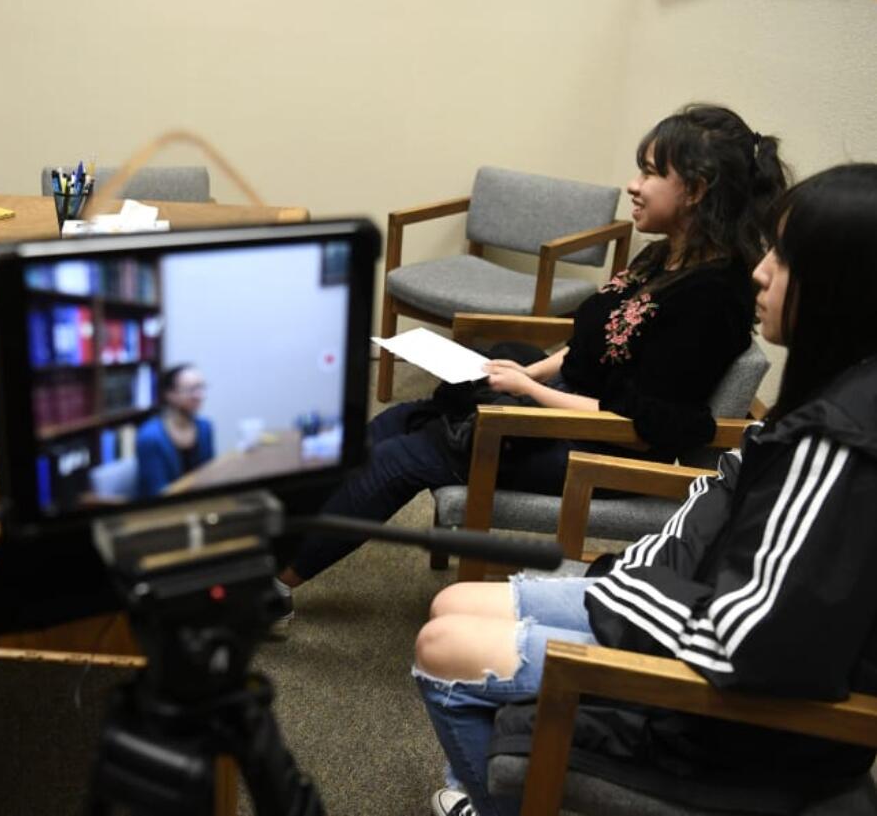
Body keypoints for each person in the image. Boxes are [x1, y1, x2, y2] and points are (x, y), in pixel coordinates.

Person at [416, 163, 877, 816]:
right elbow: (720, 497)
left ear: (840, 285)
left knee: (443, 650)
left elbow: (755, 647)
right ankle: (487, 786)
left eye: (782, 255)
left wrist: (630, 591)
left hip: (729, 723)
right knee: (456, 601)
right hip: (695, 610)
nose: (760, 271)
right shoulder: (833, 393)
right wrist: (639, 576)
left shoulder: (841, 441)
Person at [275, 104, 788, 597]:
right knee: (402, 419)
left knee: (401, 458)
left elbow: (645, 428)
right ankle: (279, 543)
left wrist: (528, 390)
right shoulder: (667, 256)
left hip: (596, 450)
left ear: (696, 191)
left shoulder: (712, 297)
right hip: (570, 411)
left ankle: (277, 589)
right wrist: (532, 371)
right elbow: (597, 343)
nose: (633, 185)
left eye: (650, 173)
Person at [136, 364, 215, 497]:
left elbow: (209, 474)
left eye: (201, 387)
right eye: (191, 389)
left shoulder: (205, 427)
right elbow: (158, 492)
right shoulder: (149, 437)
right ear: (170, 395)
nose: (199, 395)